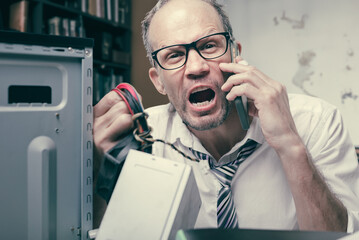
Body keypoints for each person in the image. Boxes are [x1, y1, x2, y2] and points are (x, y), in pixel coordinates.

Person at [93, 0, 359, 232]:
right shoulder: (140, 141)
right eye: (174, 55)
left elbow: (339, 237)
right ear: (158, 81)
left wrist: (290, 144)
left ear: (236, 54)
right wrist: (102, 175)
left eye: (209, 46)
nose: (196, 67)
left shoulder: (316, 121)